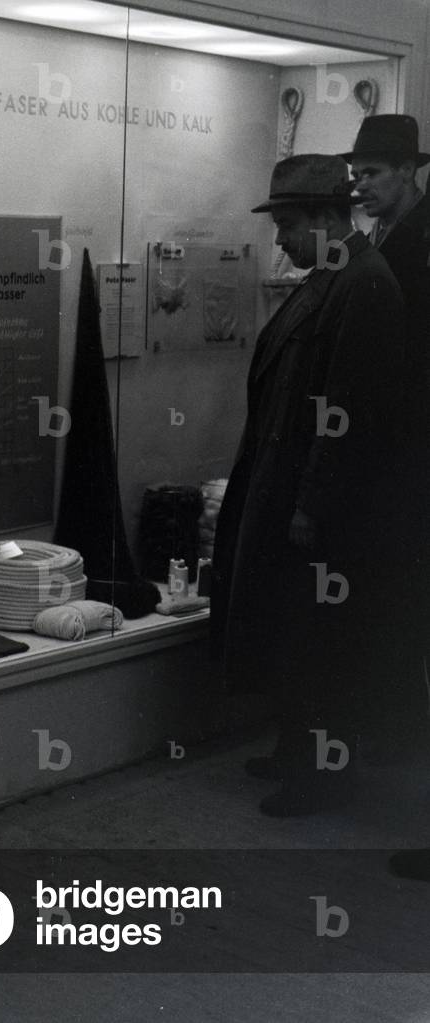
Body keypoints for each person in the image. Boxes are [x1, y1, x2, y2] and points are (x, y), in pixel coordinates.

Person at [211, 154, 409, 817]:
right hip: (290, 486)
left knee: (323, 644)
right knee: (297, 633)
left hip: (322, 503)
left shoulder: (362, 283)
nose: (280, 240)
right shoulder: (329, 276)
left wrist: (310, 504)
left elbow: (351, 410)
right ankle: (297, 748)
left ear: (328, 217)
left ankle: (325, 773)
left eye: (289, 224)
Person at [340, 114, 430, 764]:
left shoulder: (417, 241)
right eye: (354, 175)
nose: (359, 186)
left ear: (408, 170)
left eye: (370, 174)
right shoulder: (385, 234)